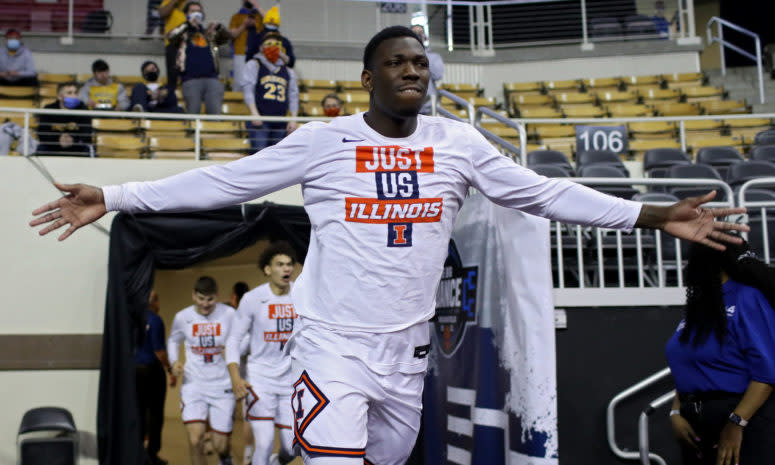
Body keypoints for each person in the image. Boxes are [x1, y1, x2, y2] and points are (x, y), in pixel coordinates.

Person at [31, 26, 749, 465]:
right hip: (330, 340)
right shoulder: (323, 140)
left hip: (405, 345)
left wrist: (653, 215)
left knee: (388, 456)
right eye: (398, 62)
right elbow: (226, 180)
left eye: (421, 64)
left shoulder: (458, 142)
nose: (414, 71)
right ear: (366, 77)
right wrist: (119, 195)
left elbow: (541, 192)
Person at [665, 240, 775, 465]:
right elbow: (691, 366)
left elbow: (767, 373)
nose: (689, 265)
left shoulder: (746, 297)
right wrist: (676, 413)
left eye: (694, 258)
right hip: (696, 428)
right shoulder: (702, 304)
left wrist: (736, 423)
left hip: (744, 423)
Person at [227, 242, 298, 465]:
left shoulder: (302, 294)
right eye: (280, 264)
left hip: (290, 381)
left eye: (289, 265)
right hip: (260, 381)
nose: (286, 269)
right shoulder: (252, 299)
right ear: (267, 269)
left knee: (292, 447)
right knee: (265, 443)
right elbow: (233, 339)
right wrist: (235, 376)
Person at [166, 276, 236, 465]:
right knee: (195, 440)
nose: (205, 304)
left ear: (217, 296)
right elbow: (173, 340)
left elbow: (241, 338)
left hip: (222, 385)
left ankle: (226, 458)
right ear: (193, 295)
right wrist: (174, 362)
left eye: (210, 299)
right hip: (193, 384)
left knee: (221, 446)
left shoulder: (229, 314)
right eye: (201, 299)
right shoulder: (183, 317)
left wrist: (232, 349)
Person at [168, 1, 231, 115]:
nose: (196, 14)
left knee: (215, 116)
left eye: (198, 11)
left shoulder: (208, 33)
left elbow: (227, 38)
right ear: (186, 14)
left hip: (212, 79)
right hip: (190, 80)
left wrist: (219, 28)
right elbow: (171, 37)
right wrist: (187, 24)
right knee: (193, 115)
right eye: (192, 11)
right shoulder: (183, 33)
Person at [135, 290, 175, 465]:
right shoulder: (155, 320)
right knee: (155, 414)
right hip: (152, 371)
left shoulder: (133, 321)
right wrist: (170, 370)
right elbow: (159, 352)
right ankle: (152, 454)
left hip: (134, 371)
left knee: (139, 411)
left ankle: (137, 452)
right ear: (155, 303)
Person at [241, 31, 299, 151]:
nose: (273, 47)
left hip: (281, 121)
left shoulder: (287, 70)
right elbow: (248, 89)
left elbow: (293, 95)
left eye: (276, 44)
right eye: (269, 43)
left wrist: (293, 118)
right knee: (259, 155)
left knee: (278, 157)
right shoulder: (254, 64)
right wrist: (254, 113)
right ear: (261, 47)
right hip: (261, 120)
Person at [36, 82, 92, 157]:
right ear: (60, 96)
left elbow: (87, 133)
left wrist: (72, 140)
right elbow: (42, 133)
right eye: (69, 93)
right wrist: (58, 140)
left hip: (75, 146)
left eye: (75, 93)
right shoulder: (49, 109)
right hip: (53, 146)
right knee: (40, 149)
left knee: (86, 150)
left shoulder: (83, 109)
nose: (74, 96)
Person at [228, 0, 265, 88]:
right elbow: (232, 35)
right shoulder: (236, 17)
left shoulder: (260, 16)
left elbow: (272, 21)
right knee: (239, 81)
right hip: (240, 53)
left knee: (255, 80)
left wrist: (257, 6)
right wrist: (244, 25)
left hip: (257, 54)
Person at [410, 24, 443, 115]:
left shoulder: (434, 57)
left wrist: (422, 53)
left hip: (427, 108)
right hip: (407, 108)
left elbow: (438, 75)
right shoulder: (401, 56)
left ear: (425, 37)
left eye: (420, 33)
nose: (418, 35)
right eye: (414, 33)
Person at [159, 0, 187, 88]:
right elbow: (162, 13)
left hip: (188, 45)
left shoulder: (190, 4)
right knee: (173, 75)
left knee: (188, 75)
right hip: (173, 44)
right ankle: (173, 97)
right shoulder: (168, 1)